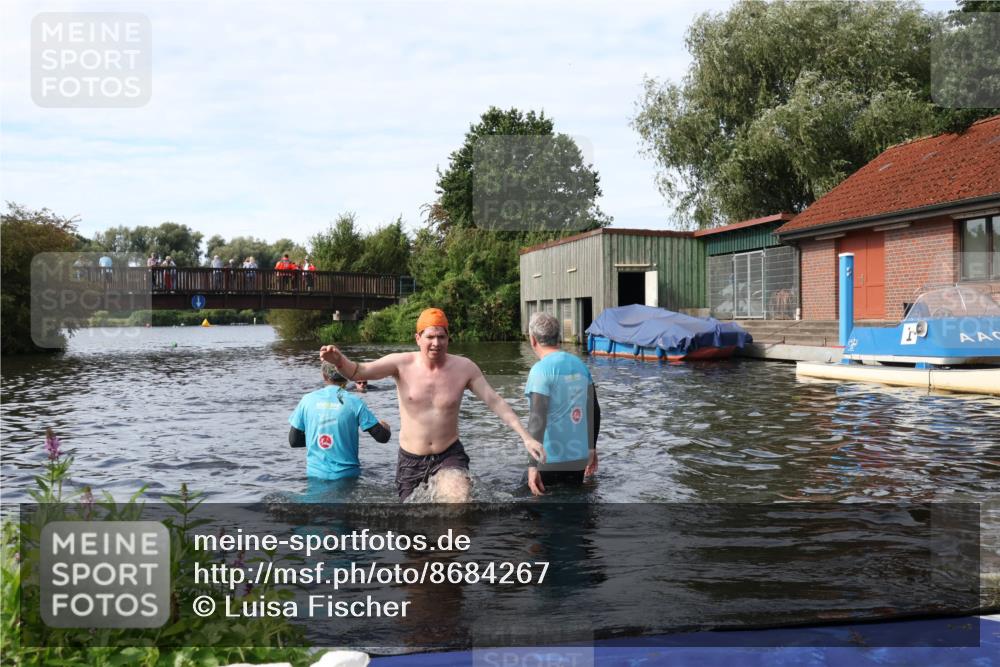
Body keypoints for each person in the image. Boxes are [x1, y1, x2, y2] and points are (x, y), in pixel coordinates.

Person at [320, 307, 545, 502]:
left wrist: (526, 437)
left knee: (457, 503)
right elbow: (359, 371)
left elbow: (494, 401)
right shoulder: (401, 364)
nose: (436, 343)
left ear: (448, 338)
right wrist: (340, 361)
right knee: (413, 527)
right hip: (410, 459)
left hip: (448, 454)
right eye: (430, 337)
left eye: (441, 337)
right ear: (418, 338)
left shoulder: (464, 368)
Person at [524, 312, 600, 496]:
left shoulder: (540, 370)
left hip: (549, 460)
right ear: (558, 336)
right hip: (578, 459)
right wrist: (591, 448)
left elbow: (537, 418)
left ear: (533, 340)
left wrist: (532, 465)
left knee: (532, 505)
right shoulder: (580, 366)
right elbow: (594, 410)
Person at [288, 361, 392, 481]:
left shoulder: (307, 400)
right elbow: (382, 438)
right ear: (347, 375)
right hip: (347, 476)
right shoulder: (355, 402)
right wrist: (386, 428)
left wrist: (318, 440)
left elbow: (294, 441)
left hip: (315, 476)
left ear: (324, 376)